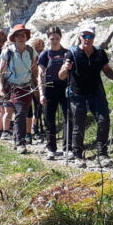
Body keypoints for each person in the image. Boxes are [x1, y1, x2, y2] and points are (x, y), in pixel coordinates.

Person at [58, 25, 113, 167]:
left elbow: (106, 70)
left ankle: (102, 154)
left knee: (104, 121)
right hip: (77, 94)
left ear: (94, 37)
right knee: (79, 125)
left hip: (96, 92)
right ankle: (78, 156)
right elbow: (61, 76)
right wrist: (65, 68)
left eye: (90, 36)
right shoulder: (71, 53)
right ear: (80, 37)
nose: (87, 39)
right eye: (84, 36)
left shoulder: (100, 53)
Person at [0, 23, 39, 153]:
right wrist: (1, 88)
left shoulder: (31, 51)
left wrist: (37, 86)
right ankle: (21, 143)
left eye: (23, 35)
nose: (21, 37)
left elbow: (35, 70)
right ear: (14, 37)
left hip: (27, 87)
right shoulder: (8, 52)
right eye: (18, 35)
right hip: (13, 88)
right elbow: (0, 71)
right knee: (20, 113)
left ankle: (16, 139)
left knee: (22, 114)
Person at [37, 27, 70, 160]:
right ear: (48, 39)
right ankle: (51, 148)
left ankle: (68, 147)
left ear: (60, 38)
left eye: (57, 38)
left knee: (68, 116)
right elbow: (40, 75)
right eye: (52, 39)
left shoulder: (67, 53)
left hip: (65, 87)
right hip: (49, 88)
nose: (55, 41)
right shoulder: (44, 54)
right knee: (49, 118)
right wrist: (41, 93)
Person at [29, 36, 46, 143]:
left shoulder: (41, 54)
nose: (41, 46)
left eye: (42, 44)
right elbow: (34, 71)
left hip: (39, 83)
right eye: (39, 44)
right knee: (37, 107)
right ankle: (35, 129)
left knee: (39, 107)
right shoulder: (33, 56)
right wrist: (37, 86)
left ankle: (39, 128)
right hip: (34, 84)